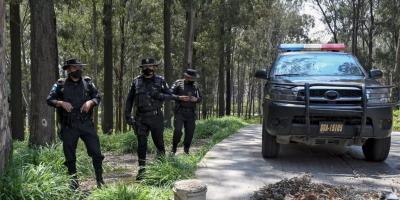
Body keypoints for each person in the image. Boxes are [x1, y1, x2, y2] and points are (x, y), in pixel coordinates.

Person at [124, 58, 188, 180]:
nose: (148, 69)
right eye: (145, 66)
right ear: (142, 68)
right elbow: (129, 100)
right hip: (140, 118)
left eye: (151, 66)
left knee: (159, 144)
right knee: (142, 145)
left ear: (155, 67)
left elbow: (169, 94)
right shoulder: (136, 82)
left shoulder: (161, 81)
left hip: (156, 117)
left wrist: (159, 96)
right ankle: (141, 171)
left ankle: (162, 170)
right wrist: (128, 116)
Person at [46, 58, 104, 189]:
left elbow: (97, 96)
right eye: (74, 67)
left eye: (79, 67)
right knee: (70, 156)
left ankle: (100, 180)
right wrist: (61, 103)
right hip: (69, 126)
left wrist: (91, 102)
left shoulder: (88, 83)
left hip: (86, 124)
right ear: (68, 69)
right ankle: (74, 183)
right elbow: (49, 99)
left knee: (96, 152)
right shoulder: (60, 84)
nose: (77, 70)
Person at [171, 69, 202, 154]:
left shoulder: (196, 85)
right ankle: (174, 147)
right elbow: (170, 94)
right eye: (191, 78)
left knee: (190, 132)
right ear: (186, 76)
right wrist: (179, 97)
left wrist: (196, 99)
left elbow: (200, 99)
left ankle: (186, 150)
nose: (193, 80)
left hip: (191, 113)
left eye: (194, 78)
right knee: (177, 131)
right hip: (180, 112)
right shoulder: (178, 83)